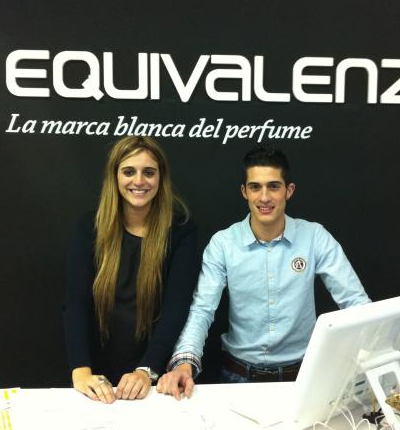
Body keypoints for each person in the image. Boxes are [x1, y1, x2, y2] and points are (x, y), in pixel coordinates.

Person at [156, 144, 370, 399]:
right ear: (244, 192)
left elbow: (355, 302)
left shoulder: (315, 237)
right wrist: (184, 362)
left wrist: (378, 358)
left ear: (289, 191)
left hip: (304, 376)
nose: (264, 197)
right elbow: (202, 309)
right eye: (255, 187)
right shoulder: (223, 244)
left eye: (274, 186)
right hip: (238, 378)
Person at [63, 136, 199, 403]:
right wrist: (81, 370)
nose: (139, 181)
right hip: (97, 376)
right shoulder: (91, 227)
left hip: (154, 377)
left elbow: (177, 307)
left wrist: (147, 370)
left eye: (149, 172)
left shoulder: (181, 230)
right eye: (128, 172)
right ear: (114, 176)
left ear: (161, 177)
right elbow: (75, 303)